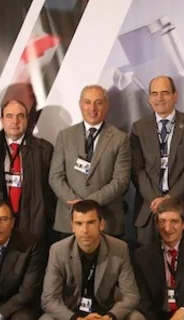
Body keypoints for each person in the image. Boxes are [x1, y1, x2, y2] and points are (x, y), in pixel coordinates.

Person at [35, 200, 146, 320]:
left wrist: (108, 319)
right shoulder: (58, 251)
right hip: (73, 312)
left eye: (90, 222)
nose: (85, 230)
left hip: (105, 312)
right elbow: (48, 299)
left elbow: (131, 295)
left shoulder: (119, 248)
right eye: (79, 223)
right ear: (72, 226)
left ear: (102, 224)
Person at [49, 85, 132, 238]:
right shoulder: (65, 136)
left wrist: (89, 204)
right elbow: (55, 176)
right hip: (69, 220)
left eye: (98, 102)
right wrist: (74, 202)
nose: (92, 108)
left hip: (106, 220)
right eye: (87, 102)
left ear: (106, 106)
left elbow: (121, 181)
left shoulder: (121, 139)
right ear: (80, 105)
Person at [130, 75, 184, 241]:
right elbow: (137, 170)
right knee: (147, 256)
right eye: (154, 93)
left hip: (182, 207)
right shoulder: (138, 128)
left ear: (175, 96)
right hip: (149, 208)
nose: (160, 98)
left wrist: (168, 199)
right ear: (149, 98)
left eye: (165, 93)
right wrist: (155, 199)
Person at [0, 98, 54, 243]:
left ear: (27, 120)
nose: (15, 122)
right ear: (2, 120)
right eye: (9, 116)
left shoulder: (44, 150)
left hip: (32, 222)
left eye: (20, 116)